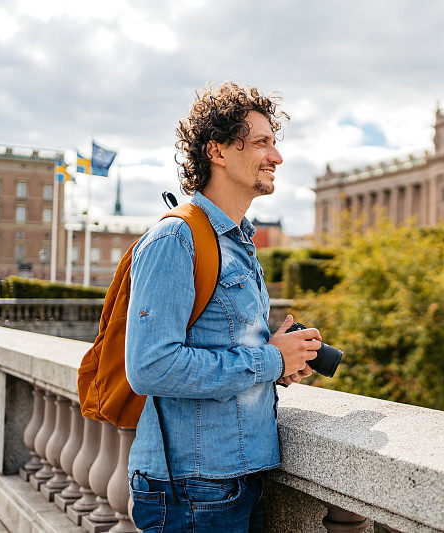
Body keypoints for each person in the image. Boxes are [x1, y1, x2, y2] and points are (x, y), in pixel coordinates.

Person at [125, 82, 320, 532]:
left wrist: (279, 359)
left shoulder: (237, 241)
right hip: (193, 488)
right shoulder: (176, 238)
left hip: (234, 479)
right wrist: (270, 358)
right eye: (260, 143)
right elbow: (150, 367)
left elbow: (221, 342)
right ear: (217, 150)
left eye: (274, 142)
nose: (277, 156)